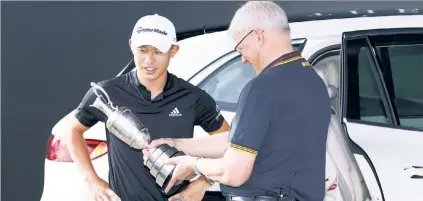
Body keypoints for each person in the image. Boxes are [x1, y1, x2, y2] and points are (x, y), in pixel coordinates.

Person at [143, 2, 332, 201]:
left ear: (258, 36)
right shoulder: (312, 80)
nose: (244, 59)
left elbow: (233, 172)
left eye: (242, 48)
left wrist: (193, 164)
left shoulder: (263, 88)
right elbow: (239, 142)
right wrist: (177, 143)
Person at [62, 14, 230, 201]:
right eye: (143, 50)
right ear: (131, 45)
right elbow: (71, 130)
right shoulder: (107, 93)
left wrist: (203, 182)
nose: (149, 60)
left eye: (158, 51)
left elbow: (231, 144)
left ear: (173, 50)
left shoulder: (193, 97)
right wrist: (92, 181)